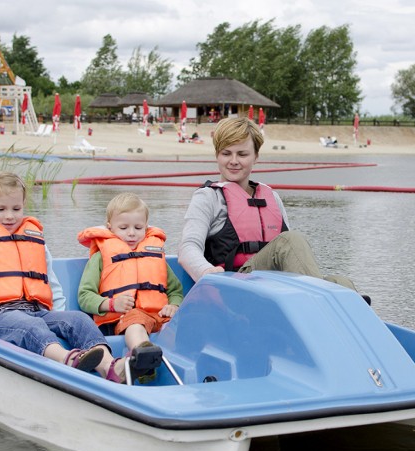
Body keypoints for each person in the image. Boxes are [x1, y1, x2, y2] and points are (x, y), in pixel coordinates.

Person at [0, 172, 128, 383]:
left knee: (78, 319)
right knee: (31, 327)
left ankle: (109, 366)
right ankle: (67, 359)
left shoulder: (36, 242)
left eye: (16, 209)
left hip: (37, 310)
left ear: (23, 205)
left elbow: (51, 284)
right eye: (0, 209)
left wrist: (61, 319)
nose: (9, 216)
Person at [178, 117, 370, 304]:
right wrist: (206, 272)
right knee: (290, 240)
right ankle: (317, 305)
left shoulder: (271, 196)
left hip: (274, 285)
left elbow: (290, 254)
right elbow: (187, 248)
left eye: (242, 154)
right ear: (217, 155)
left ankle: (350, 320)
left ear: (256, 157)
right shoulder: (208, 197)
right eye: (226, 153)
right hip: (234, 284)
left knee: (341, 284)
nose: (233, 161)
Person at [77, 192, 184, 383]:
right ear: (110, 227)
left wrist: (174, 305)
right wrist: (111, 304)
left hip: (159, 317)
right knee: (136, 321)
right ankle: (143, 354)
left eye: (138, 227)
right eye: (124, 227)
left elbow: (175, 290)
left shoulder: (154, 256)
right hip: (124, 319)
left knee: (184, 321)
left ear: (147, 226)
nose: (132, 233)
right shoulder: (101, 257)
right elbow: (84, 296)